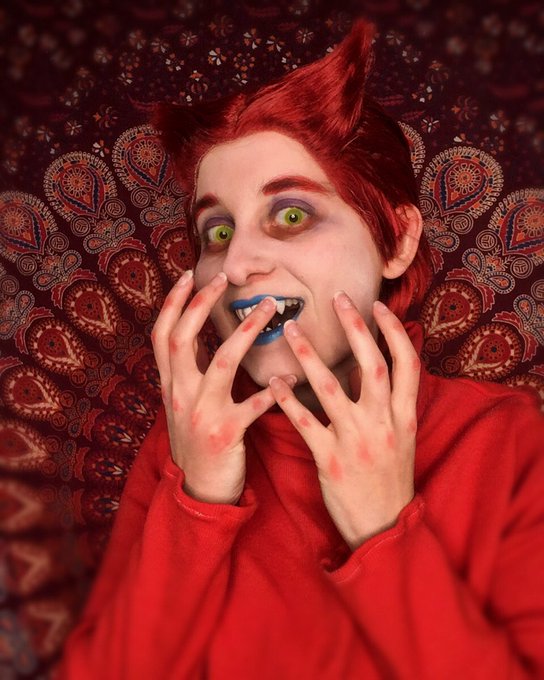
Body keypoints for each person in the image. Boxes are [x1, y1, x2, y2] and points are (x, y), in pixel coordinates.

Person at [56, 19, 544, 680]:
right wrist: (197, 502)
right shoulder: (180, 450)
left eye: (291, 214)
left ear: (396, 240)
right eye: (217, 231)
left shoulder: (505, 441)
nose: (238, 263)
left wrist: (384, 528)